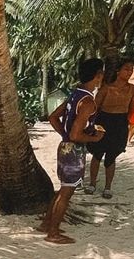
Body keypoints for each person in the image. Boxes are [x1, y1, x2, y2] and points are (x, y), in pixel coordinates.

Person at [38, 58, 105, 244]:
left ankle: (46, 224)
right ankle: (53, 232)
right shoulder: (88, 101)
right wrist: (94, 138)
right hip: (74, 151)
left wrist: (64, 135)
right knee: (67, 192)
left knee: (63, 189)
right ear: (98, 75)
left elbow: (53, 117)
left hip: (64, 147)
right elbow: (76, 135)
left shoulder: (75, 94)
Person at [85, 57, 134, 199]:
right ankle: (92, 183)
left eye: (131, 70)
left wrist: (124, 122)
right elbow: (95, 107)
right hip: (103, 121)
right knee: (97, 154)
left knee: (111, 156)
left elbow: (132, 108)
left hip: (120, 122)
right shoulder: (107, 88)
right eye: (126, 69)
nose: (129, 72)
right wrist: (92, 124)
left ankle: (108, 187)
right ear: (118, 70)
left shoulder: (133, 89)